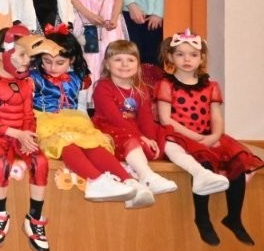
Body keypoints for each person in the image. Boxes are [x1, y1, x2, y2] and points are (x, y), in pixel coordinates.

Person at [156, 30, 263, 245]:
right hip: (180, 137)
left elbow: (216, 117)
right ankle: (202, 218)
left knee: (237, 164)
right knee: (204, 165)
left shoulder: (211, 86)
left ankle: (233, 218)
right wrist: (194, 137)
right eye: (180, 54)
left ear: (202, 58)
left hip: (207, 136)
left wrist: (215, 135)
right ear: (170, 57)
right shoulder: (166, 85)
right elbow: (166, 119)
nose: (187, 59)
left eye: (193, 55)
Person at [91, 40, 229, 206]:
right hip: (112, 130)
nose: (125, 64)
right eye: (118, 60)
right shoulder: (103, 87)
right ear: (107, 64)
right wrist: (141, 138)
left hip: (137, 130)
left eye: (130, 60)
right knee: (130, 139)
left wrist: (152, 139)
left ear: (138, 64)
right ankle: (147, 177)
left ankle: (200, 174)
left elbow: (145, 118)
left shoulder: (140, 88)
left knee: (167, 136)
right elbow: (115, 119)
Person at [31, 28, 153, 208]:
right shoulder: (33, 78)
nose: (52, 67)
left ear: (72, 60)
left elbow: (80, 105)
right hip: (44, 120)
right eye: (47, 61)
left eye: (60, 62)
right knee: (66, 143)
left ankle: (130, 182)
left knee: (92, 143)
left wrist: (84, 125)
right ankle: (96, 181)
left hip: (74, 119)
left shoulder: (78, 79)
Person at [0, 25, 54, 251]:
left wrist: (28, 136)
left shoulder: (27, 83)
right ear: (3, 54)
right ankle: (0, 215)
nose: (27, 60)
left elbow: (29, 114)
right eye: (22, 54)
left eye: (29, 55)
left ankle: (34, 219)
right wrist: (16, 134)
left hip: (21, 136)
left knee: (40, 161)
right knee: (1, 164)